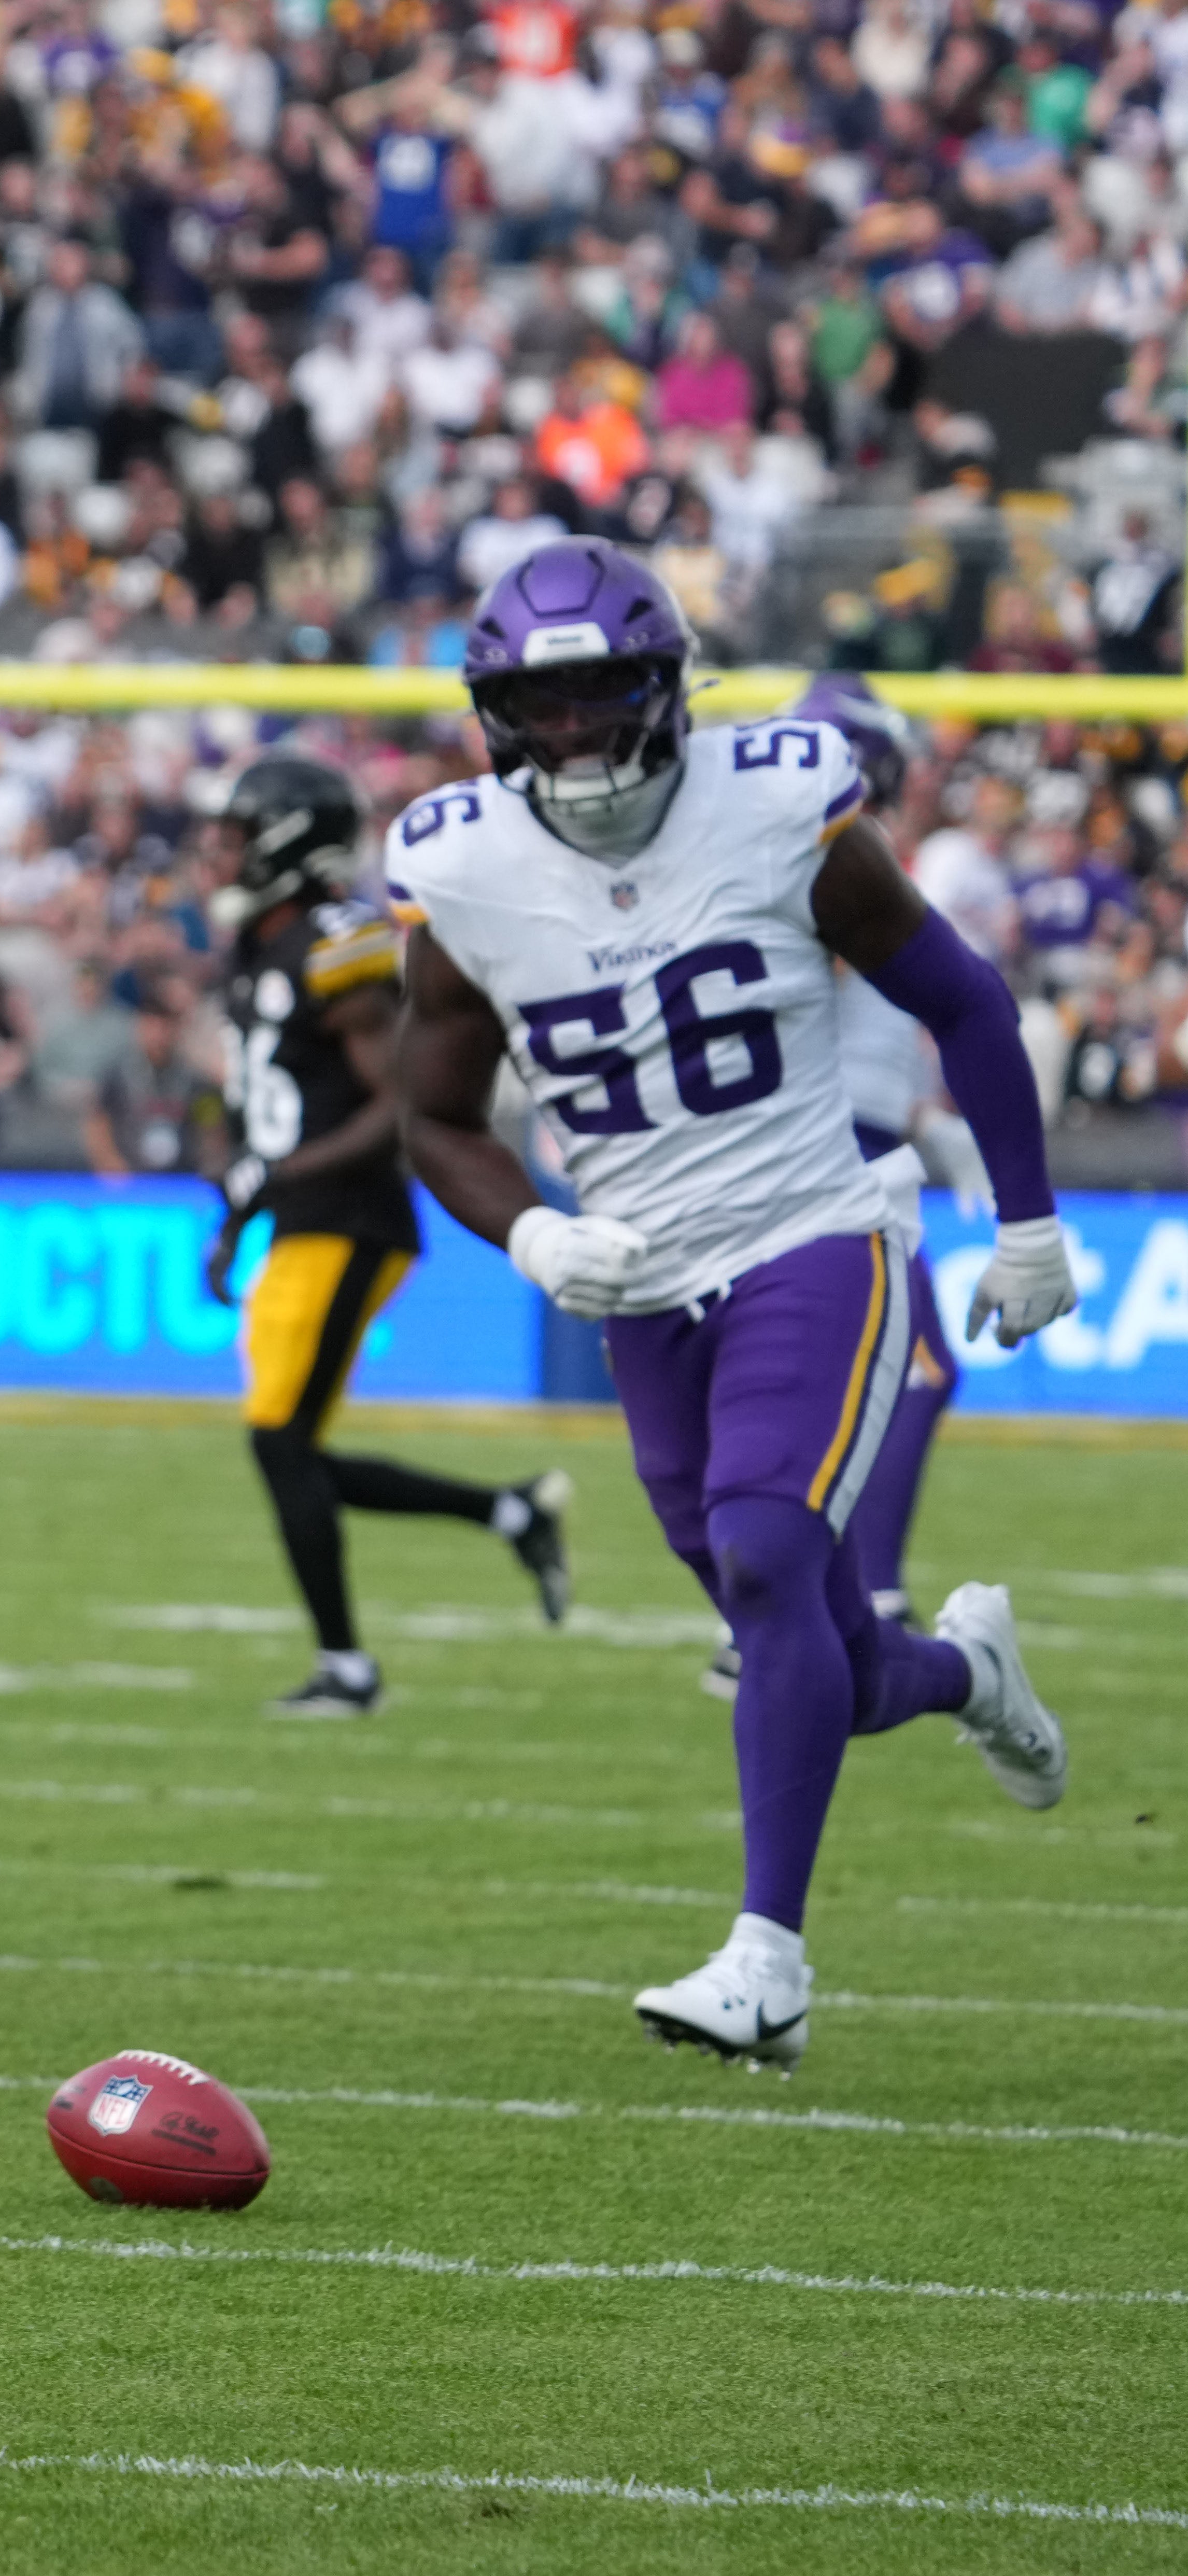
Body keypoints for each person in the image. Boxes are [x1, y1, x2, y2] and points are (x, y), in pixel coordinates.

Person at [390, 538, 1074, 2072]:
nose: (566, 736)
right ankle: (970, 1675)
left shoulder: (777, 797)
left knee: (768, 1560)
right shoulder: (455, 865)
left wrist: (1027, 1223)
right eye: (534, 708)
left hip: (813, 1231)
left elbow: (958, 997)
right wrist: (530, 1238)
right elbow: (432, 1117)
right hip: (640, 1282)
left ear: (663, 685)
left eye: (595, 698)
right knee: (805, 1655)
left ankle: (765, 1964)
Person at [204, 750, 572, 1717]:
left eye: (242, 835)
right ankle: (509, 1511)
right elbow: (266, 1113)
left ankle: (348, 1671)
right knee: (292, 1451)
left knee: (280, 1442)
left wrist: (275, 1179)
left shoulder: (338, 942)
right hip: (299, 1223)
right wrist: (236, 1215)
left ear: (290, 842)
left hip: (355, 1220)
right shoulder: (260, 945)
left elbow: (398, 1103)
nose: (223, 853)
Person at [795, 675, 986, 1637]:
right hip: (829, 1155)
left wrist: (924, 1119)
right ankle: (865, 1592)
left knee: (836, 1387)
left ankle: (786, 1610)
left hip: (857, 1138)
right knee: (915, 1370)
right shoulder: (809, 860)